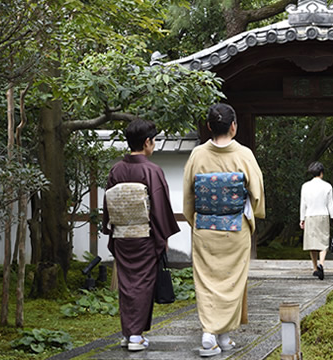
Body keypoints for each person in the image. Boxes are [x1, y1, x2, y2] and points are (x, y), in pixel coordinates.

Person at [183, 103, 265, 357]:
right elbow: (257, 194)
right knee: (233, 281)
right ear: (233, 126)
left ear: (209, 126)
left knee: (207, 282)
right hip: (234, 228)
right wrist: (252, 217)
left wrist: (196, 221)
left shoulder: (197, 154)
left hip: (205, 227)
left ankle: (218, 335)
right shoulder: (244, 154)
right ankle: (215, 335)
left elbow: (188, 197)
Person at [101, 119, 180, 352]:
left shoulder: (116, 169)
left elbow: (108, 205)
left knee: (127, 284)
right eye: (154, 140)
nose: (154, 145)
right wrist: (163, 237)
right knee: (142, 285)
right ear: (147, 142)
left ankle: (129, 334)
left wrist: (111, 229)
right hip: (145, 237)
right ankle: (135, 336)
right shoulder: (151, 170)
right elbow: (159, 207)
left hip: (122, 236)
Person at [299, 161, 333, 280]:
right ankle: (321, 263)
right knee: (323, 241)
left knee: (312, 243)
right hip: (323, 215)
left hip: (309, 215)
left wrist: (302, 219)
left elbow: (303, 204)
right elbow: (330, 204)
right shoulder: (327, 186)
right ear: (321, 172)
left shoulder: (305, 186)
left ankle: (315, 268)